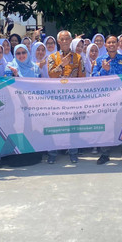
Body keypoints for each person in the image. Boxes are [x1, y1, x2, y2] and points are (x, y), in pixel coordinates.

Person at [92, 35, 122, 164]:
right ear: (105, 45)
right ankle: (105, 153)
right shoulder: (99, 60)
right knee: (106, 125)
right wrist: (104, 71)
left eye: (114, 42)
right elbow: (93, 78)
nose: (111, 45)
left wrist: (112, 70)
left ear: (117, 44)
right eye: (109, 42)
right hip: (106, 99)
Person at [46, 31, 85, 163]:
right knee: (55, 126)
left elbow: (83, 78)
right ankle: (52, 154)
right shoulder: (52, 57)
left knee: (73, 127)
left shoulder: (78, 58)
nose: (64, 41)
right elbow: (51, 75)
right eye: (62, 39)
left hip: (73, 98)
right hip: (56, 99)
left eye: (67, 39)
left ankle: (73, 153)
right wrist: (61, 65)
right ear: (58, 42)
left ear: (70, 41)